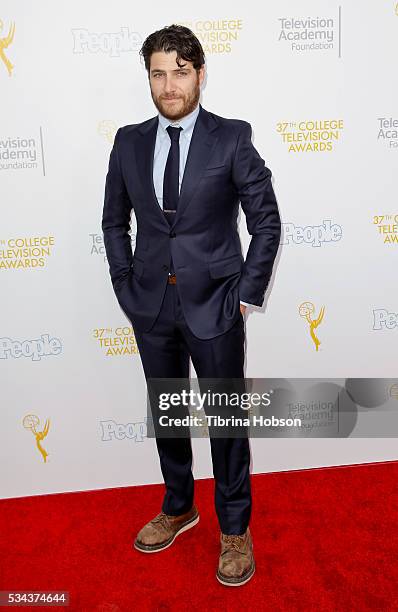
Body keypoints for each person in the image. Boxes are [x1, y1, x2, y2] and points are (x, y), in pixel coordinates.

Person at [102, 24, 281, 586]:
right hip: (151, 306)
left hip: (216, 306)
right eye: (159, 73)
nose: (169, 84)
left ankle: (235, 529)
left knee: (226, 420)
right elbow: (114, 221)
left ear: (200, 74)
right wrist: (125, 284)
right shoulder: (128, 141)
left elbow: (266, 220)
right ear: (148, 80)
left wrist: (246, 293)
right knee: (170, 414)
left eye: (180, 71)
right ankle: (179, 505)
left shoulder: (230, 137)